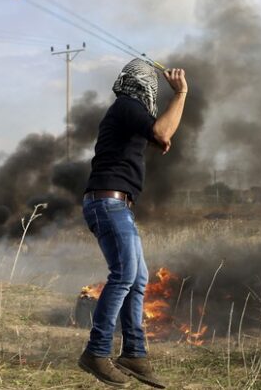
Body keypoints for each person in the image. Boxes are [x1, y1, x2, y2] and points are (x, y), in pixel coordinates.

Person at [78, 59, 188, 389]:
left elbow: (162, 133)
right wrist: (181, 92)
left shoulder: (128, 111)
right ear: (143, 86)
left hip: (116, 204)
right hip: (108, 202)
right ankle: (96, 352)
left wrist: (161, 132)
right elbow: (162, 131)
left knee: (138, 277)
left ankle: (134, 355)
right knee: (125, 274)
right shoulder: (126, 105)